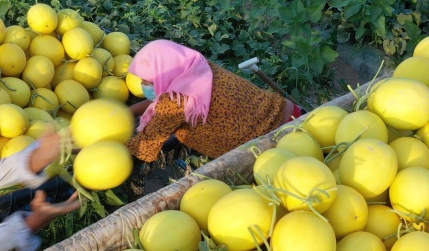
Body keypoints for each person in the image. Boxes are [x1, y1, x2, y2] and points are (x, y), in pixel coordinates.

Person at [126, 40, 301, 163]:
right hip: (294, 115)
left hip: (275, 145)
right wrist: (130, 111)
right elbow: (164, 101)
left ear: (161, 74)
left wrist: (111, 146)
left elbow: (144, 148)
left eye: (146, 81)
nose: (142, 85)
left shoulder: (175, 102)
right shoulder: (199, 68)